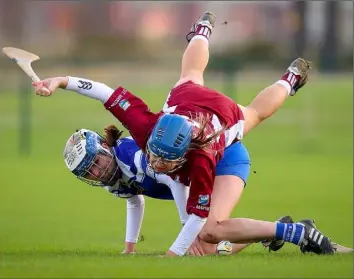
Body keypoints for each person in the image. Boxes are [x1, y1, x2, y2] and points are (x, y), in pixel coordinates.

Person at [33, 12, 334, 256]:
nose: (157, 165)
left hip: (221, 129)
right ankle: (202, 31)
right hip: (186, 99)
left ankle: (289, 80)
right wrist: (61, 80)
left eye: (167, 162)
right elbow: (104, 93)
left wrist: (175, 253)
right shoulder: (145, 128)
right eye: (154, 155)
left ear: (184, 156)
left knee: (255, 114)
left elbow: (195, 214)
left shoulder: (203, 158)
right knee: (190, 76)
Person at [63, 124, 251, 255]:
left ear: (105, 146)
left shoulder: (131, 156)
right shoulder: (112, 180)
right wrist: (130, 248)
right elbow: (134, 201)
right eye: (88, 172)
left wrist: (187, 229)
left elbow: (176, 182)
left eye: (96, 161)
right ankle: (260, 235)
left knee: (206, 240)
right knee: (207, 245)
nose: (97, 172)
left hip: (221, 160)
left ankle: (267, 232)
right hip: (200, 178)